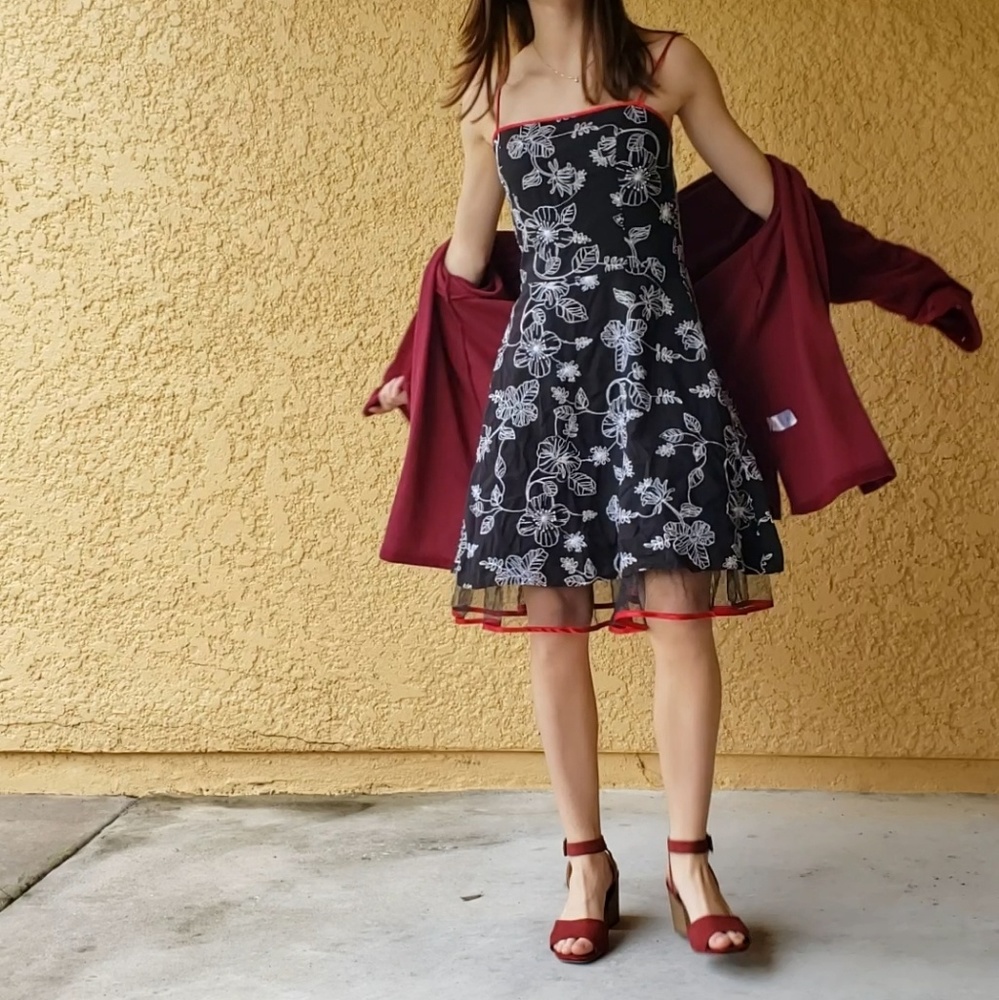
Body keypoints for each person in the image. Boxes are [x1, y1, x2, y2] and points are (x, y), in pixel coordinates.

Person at [372, 0, 784, 964]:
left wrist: (860, 280)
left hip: (659, 367)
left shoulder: (670, 62)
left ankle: (689, 864)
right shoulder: (492, 90)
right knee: (551, 623)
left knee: (678, 608)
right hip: (542, 384)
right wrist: (414, 362)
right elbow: (468, 257)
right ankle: (584, 864)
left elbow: (764, 202)